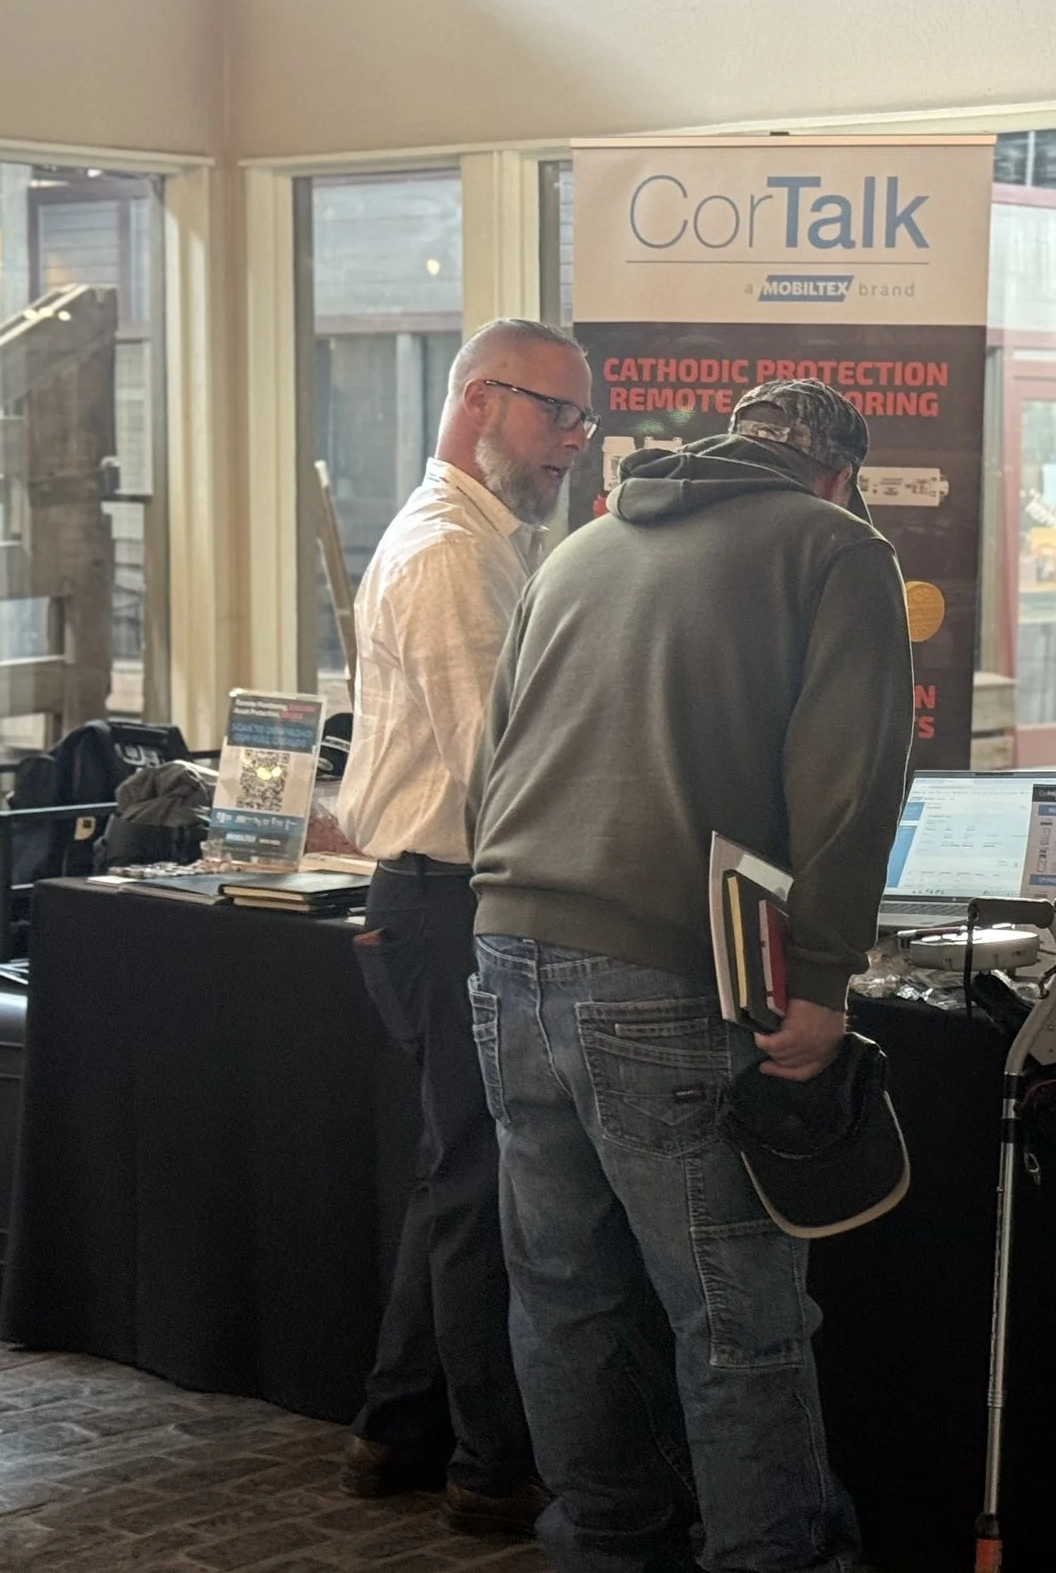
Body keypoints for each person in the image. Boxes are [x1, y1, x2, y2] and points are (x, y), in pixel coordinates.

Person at [466, 378, 914, 1573]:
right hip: (665, 975)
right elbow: (850, 783)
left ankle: (605, 1542)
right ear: (836, 476)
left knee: (562, 1294)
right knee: (736, 1316)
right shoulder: (836, 548)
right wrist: (820, 980)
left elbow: (492, 756)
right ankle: (775, 1558)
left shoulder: (584, 544)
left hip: (506, 953)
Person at [331, 316, 595, 1534]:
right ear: (480, 402)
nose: (572, 445)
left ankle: (393, 1429)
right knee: (485, 1180)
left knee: (457, 1170)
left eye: (579, 420)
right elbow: (505, 771)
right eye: (556, 414)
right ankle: (490, 1467)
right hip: (451, 901)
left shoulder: (490, 541)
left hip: (444, 898)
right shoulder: (450, 553)